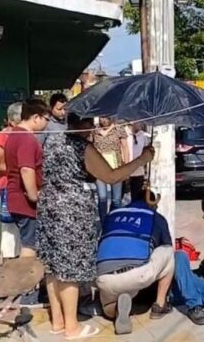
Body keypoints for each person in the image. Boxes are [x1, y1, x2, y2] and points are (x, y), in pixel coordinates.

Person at [36, 114, 156, 340]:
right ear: (81, 124)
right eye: (89, 125)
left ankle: (58, 321)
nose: (91, 129)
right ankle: (72, 327)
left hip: (48, 203)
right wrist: (142, 159)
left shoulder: (52, 139)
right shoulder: (82, 147)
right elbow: (111, 176)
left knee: (52, 266)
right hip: (70, 209)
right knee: (69, 269)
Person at [95, 189, 174, 335]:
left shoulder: (111, 215)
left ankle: (115, 310)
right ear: (152, 203)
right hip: (137, 274)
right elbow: (166, 244)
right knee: (168, 251)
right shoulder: (155, 216)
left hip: (104, 277)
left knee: (107, 310)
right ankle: (160, 305)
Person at [4, 99, 49, 258]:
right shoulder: (26, 139)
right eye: (46, 119)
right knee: (30, 246)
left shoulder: (14, 134)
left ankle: (31, 280)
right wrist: (34, 196)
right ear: (36, 117)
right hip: (24, 202)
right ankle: (26, 281)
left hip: (16, 198)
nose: (47, 124)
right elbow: (26, 169)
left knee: (29, 242)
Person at [0, 102, 22, 260]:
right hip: (8, 187)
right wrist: (19, 170)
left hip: (23, 187)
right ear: (13, 121)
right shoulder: (4, 135)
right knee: (9, 230)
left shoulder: (25, 135)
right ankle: (9, 265)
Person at [92, 117, 130, 219]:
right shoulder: (94, 130)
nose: (103, 120)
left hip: (116, 168)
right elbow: (90, 146)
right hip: (99, 169)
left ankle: (113, 221)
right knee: (102, 197)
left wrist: (126, 166)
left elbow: (125, 148)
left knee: (116, 200)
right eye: (101, 117)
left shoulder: (119, 128)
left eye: (106, 117)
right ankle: (103, 222)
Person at [128, 122, 150, 195]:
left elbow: (146, 152)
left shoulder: (143, 136)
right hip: (125, 171)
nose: (134, 125)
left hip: (139, 171)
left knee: (137, 194)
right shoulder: (125, 135)